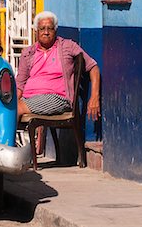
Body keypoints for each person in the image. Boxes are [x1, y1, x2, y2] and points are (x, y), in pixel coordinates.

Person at [16, 11, 101, 153]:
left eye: (50, 28)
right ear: (36, 31)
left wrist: (94, 97)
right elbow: (20, 84)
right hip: (29, 98)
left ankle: (8, 149)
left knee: (17, 109)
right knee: (7, 109)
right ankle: (8, 149)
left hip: (57, 98)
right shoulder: (28, 53)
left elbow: (93, 67)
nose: (46, 32)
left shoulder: (67, 46)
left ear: (55, 30)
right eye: (42, 29)